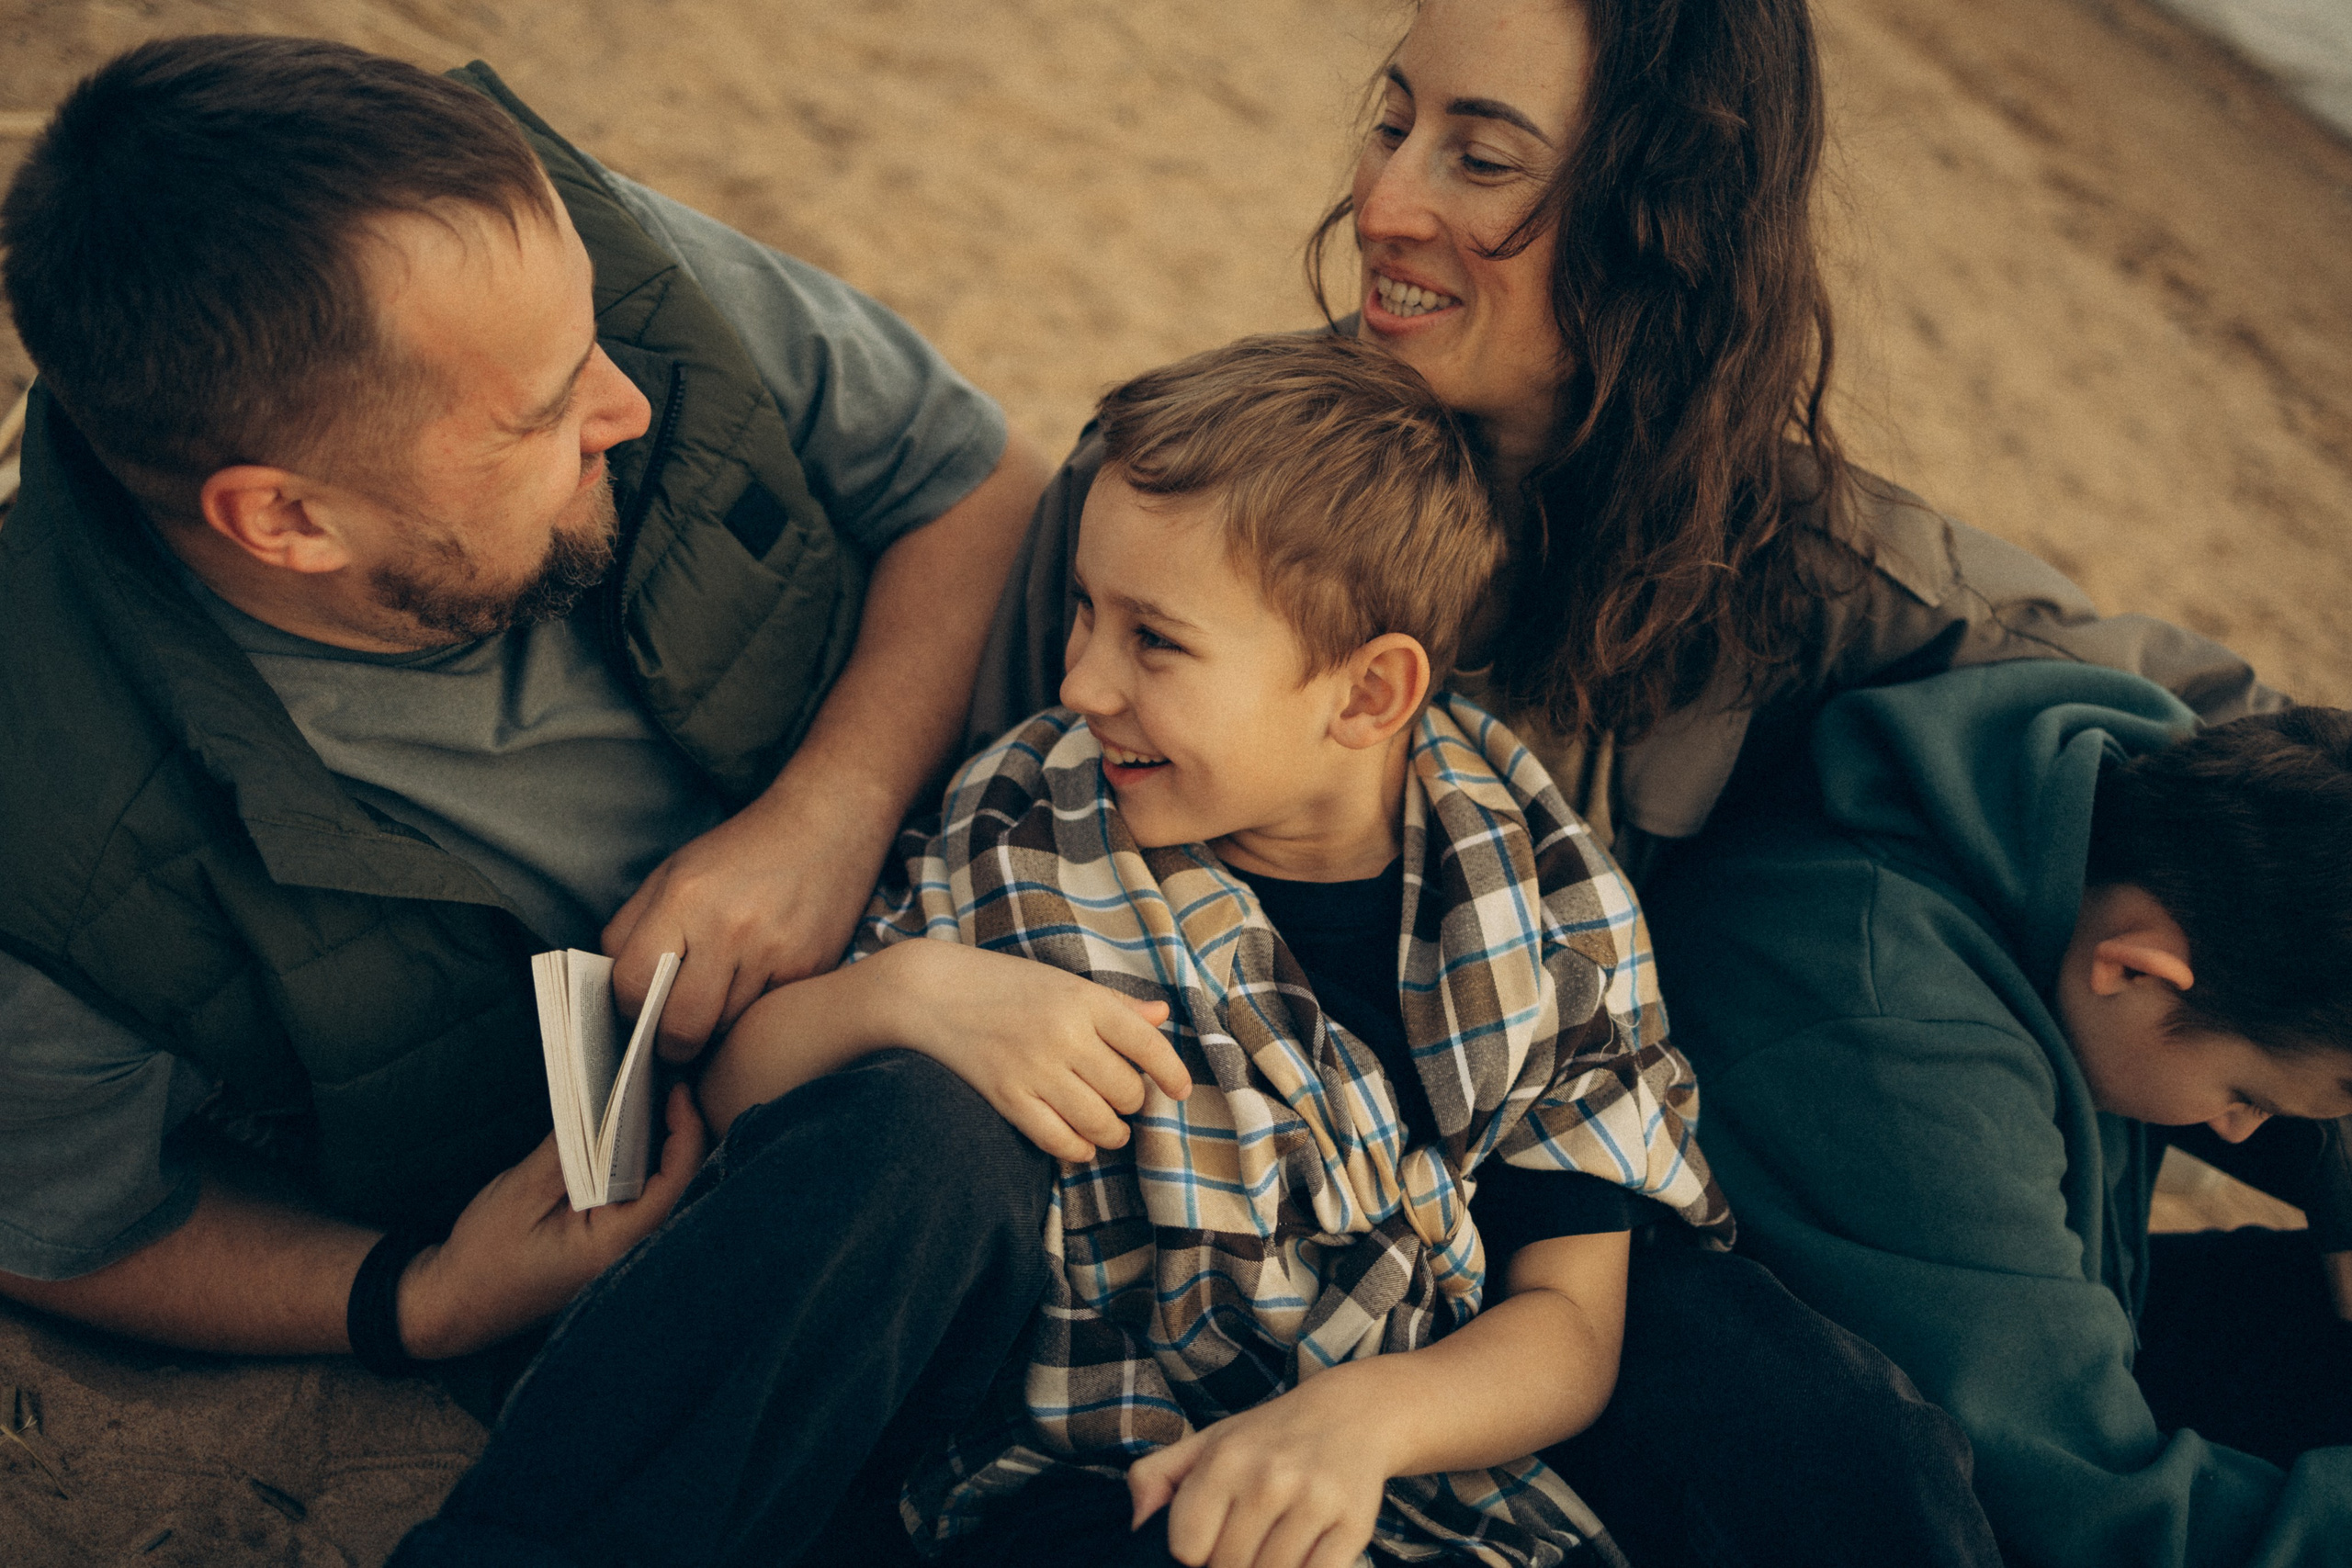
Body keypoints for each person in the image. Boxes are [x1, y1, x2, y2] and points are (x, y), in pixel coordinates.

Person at [967, 1, 2292, 1560]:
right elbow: (983, 809)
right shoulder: (1206, 493)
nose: (1386, 204)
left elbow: (2230, 751)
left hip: (1552, 1244)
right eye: (1397, 124)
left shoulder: (1801, 567)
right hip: (1180, 1197)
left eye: (1481, 158)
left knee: (1859, 1459)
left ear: (1663, 216)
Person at [0, 32, 1065, 1562]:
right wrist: (411, 1294)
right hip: (769, 1212)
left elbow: (978, 484)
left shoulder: (546, 271)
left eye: (596, 343)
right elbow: (62, 1224)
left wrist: (823, 817)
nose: (627, 401)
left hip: (1020, 941)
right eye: (543, 414)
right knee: (916, 1160)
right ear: (288, 518)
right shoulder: (47, 814)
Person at [687, 333, 1734, 1568]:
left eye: (1155, 641)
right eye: (1084, 609)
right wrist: (904, 993)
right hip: (1064, 1469)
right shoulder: (1023, 825)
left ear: (1366, 694)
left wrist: (1357, 1421)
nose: (1080, 680)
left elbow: (1568, 1322)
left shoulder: (1545, 914)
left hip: (1374, 1479)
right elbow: (743, 1102)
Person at [1641, 660, 2352, 1567]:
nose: (2242, 1132)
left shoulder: (2144, 804)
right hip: (1799, 1464)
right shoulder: (1898, 1040)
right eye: (2245, 1099)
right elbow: (2103, 1515)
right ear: (2133, 969)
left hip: (2017, 1318)